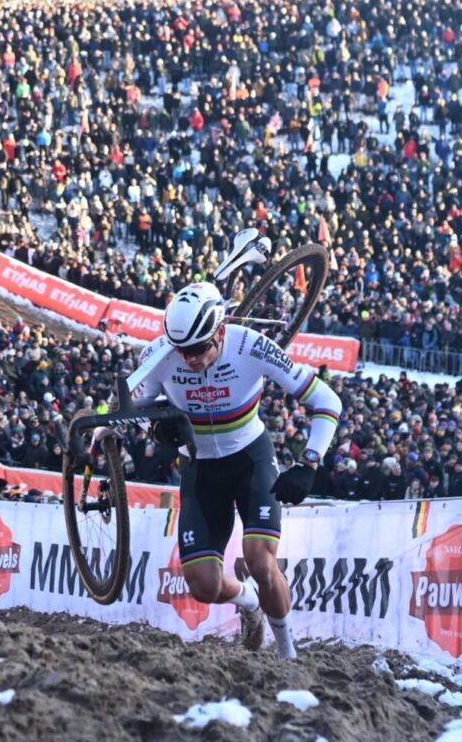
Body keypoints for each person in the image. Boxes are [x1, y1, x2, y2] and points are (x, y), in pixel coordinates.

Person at [119, 281, 343, 661]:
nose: (189, 359)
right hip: (200, 470)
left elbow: (327, 399)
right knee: (203, 586)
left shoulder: (249, 345)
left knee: (260, 560)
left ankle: (288, 655)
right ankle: (248, 602)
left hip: (249, 459)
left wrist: (309, 462)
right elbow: (125, 410)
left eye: (199, 349)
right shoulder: (160, 354)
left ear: (219, 331)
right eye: (182, 350)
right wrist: (154, 425)